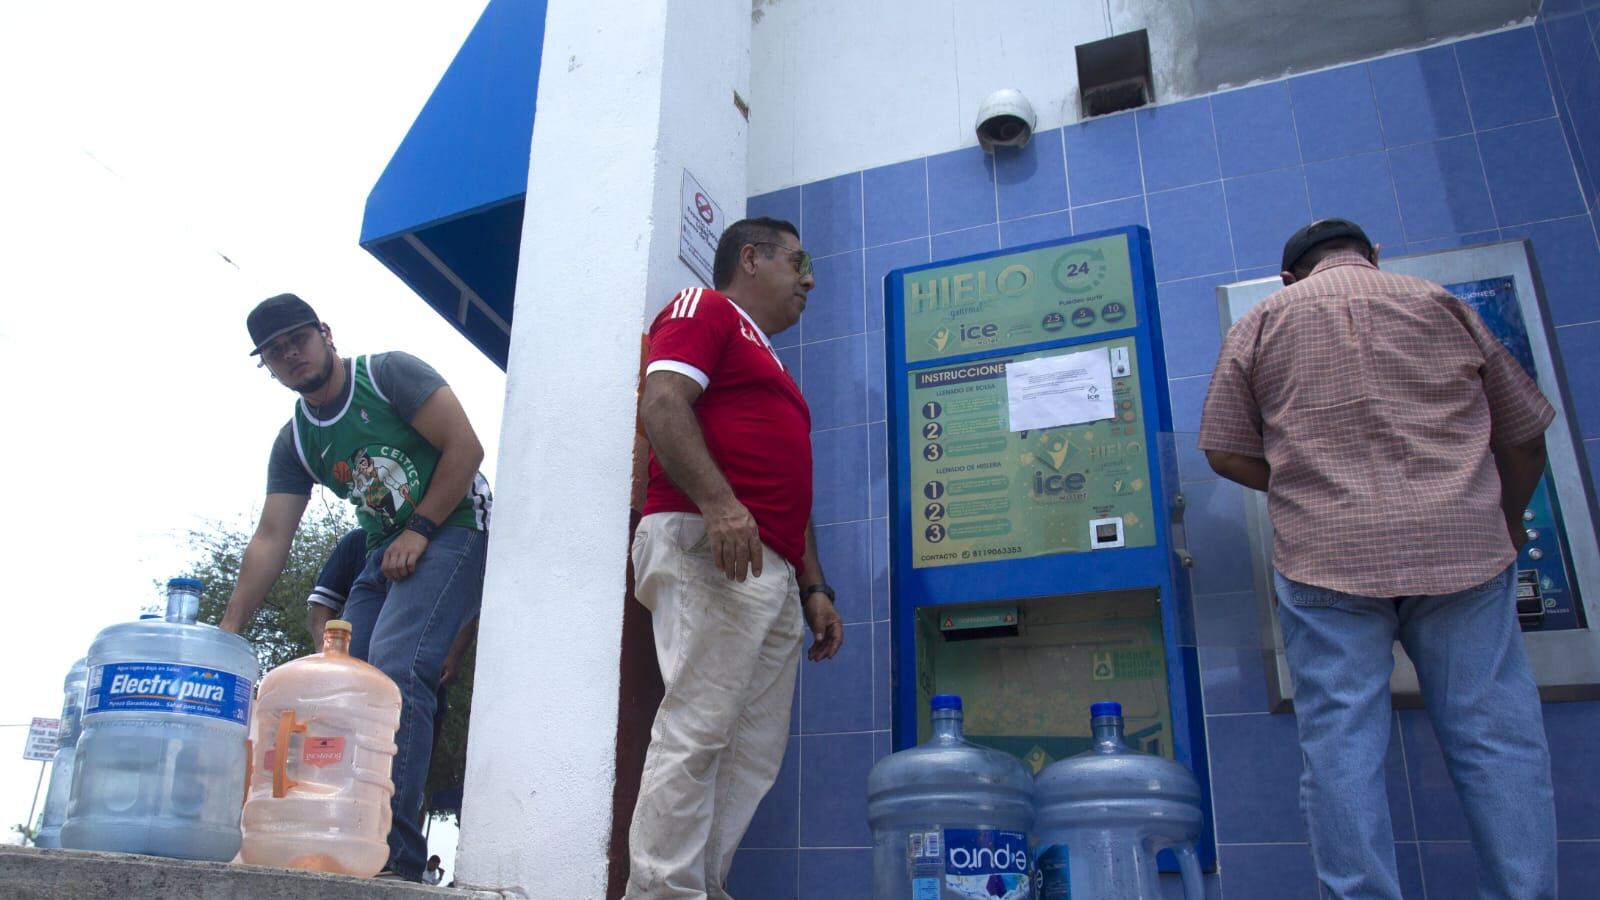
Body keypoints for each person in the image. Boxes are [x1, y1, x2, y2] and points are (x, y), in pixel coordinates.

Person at [1199, 219, 1557, 899]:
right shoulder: (1439, 303)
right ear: (1374, 258)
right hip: (1463, 551)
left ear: (1288, 276)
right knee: (1496, 742)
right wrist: (1506, 521)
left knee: (1341, 748)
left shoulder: (1262, 321)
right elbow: (1525, 437)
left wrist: (1309, 484)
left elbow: (1222, 449)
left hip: (1327, 558)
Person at [220, 293, 492, 882]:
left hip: (455, 524)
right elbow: (271, 536)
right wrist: (228, 630)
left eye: (298, 339)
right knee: (346, 691)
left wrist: (419, 529)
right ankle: (341, 840)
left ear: (325, 333)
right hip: (384, 547)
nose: (291, 354)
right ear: (265, 365)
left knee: (397, 667)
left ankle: (394, 858)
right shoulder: (295, 441)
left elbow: (466, 448)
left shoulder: (388, 374)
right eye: (275, 350)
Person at [625, 217, 845, 900]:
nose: (809, 279)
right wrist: (721, 505)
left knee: (750, 754)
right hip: (709, 542)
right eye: (798, 262)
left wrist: (816, 584)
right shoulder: (705, 308)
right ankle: (662, 894)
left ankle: (699, 888)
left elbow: (790, 481)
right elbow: (662, 404)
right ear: (751, 259)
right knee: (698, 728)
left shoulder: (772, 362)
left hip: (771, 568)